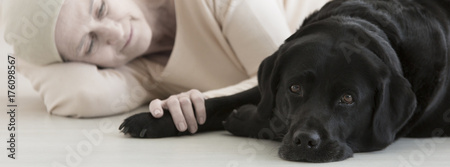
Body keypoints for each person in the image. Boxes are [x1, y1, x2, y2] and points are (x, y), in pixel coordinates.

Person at [2, 0, 329, 134]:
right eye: (88, 44)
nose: (115, 34)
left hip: (347, 54)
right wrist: (23, 50)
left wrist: (205, 105)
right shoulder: (141, 73)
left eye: (101, 8)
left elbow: (284, 86)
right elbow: (80, 95)